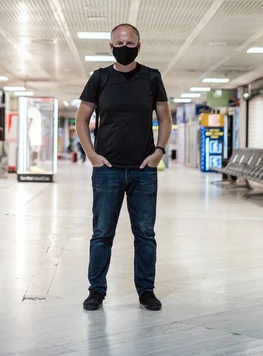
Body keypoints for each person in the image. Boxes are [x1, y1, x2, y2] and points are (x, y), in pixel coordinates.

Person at [76, 23, 172, 312]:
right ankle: (96, 291)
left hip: (144, 170)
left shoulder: (152, 77)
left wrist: (159, 152)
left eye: (130, 44)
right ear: (110, 46)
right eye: (120, 43)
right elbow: (82, 120)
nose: (125, 49)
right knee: (102, 233)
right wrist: (92, 155)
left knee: (145, 234)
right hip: (107, 170)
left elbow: (165, 119)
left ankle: (146, 291)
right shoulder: (100, 78)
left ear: (139, 46)